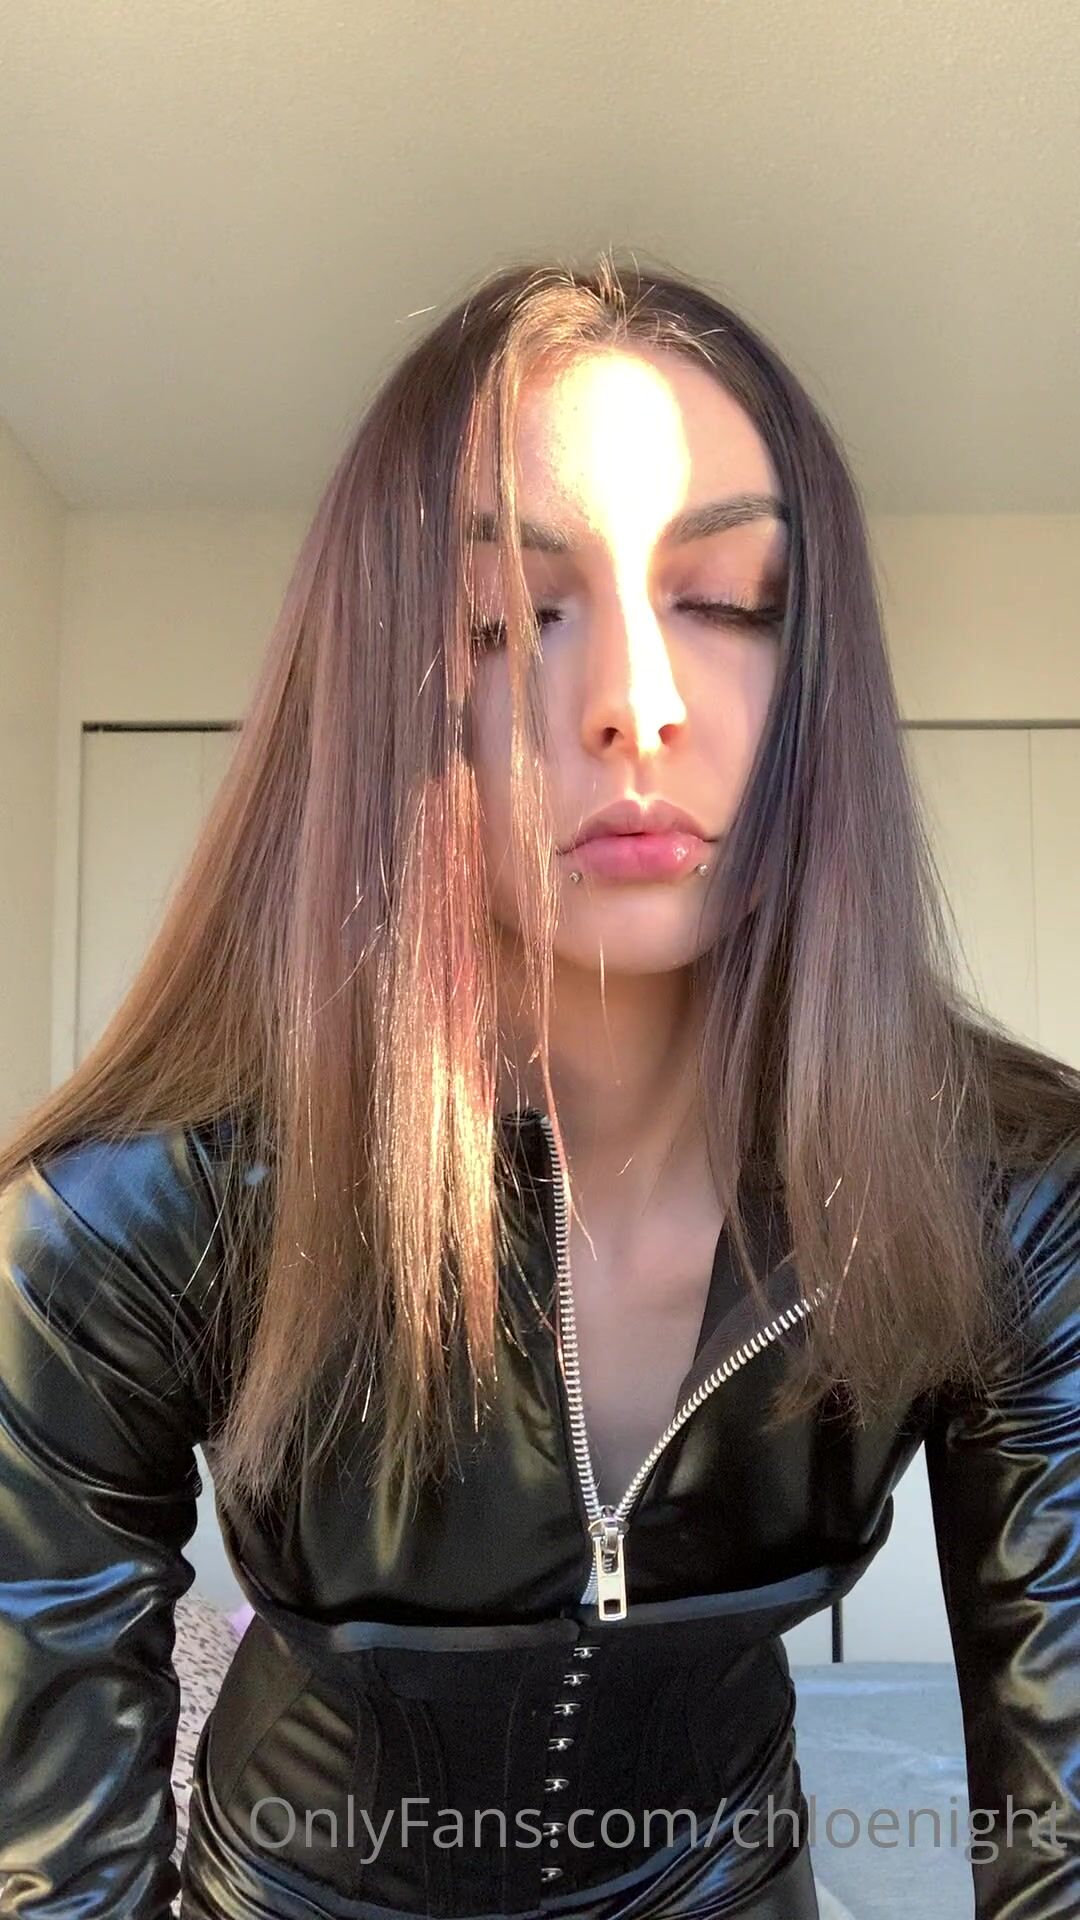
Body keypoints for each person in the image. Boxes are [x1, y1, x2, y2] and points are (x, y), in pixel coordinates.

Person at [0, 252, 1077, 1920]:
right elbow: (52, 1861)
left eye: (730, 601)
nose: (636, 706)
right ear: (380, 693)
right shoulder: (123, 1221)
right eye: (502, 622)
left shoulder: (1015, 1188)